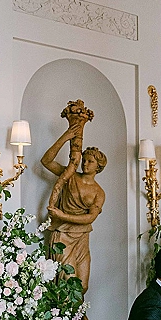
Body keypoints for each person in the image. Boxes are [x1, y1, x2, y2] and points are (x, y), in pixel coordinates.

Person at [41, 116, 106, 295]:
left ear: (99, 166)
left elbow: (90, 218)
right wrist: (65, 137)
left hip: (82, 238)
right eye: (84, 160)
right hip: (62, 234)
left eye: (90, 161)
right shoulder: (69, 175)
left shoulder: (99, 192)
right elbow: (46, 161)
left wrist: (61, 215)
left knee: (83, 286)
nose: (85, 163)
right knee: (68, 284)